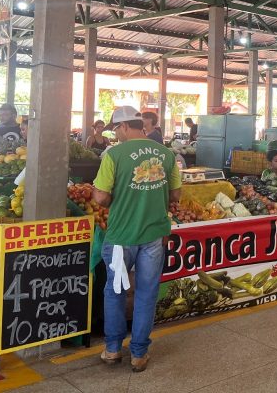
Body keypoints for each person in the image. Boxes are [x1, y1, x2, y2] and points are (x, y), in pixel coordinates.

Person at [93, 106, 182, 372]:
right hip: (154, 235)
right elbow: (176, 195)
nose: (116, 135)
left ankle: (112, 349)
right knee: (146, 293)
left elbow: (99, 197)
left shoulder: (114, 154)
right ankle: (139, 354)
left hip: (121, 236)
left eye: (116, 130)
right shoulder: (167, 154)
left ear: (122, 127)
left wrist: (114, 197)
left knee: (115, 291)